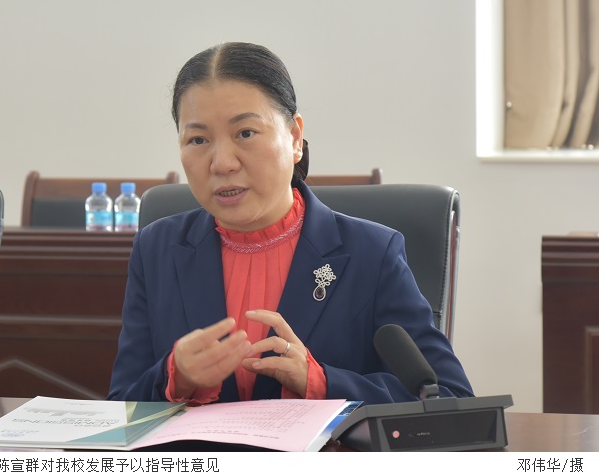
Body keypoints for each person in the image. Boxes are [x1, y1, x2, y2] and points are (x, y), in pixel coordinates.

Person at [108, 42, 473, 405]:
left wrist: (322, 383)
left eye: (245, 133)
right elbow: (121, 406)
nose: (222, 163)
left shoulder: (372, 254)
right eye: (198, 139)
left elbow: (447, 398)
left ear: (295, 138)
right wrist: (174, 377)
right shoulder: (156, 250)